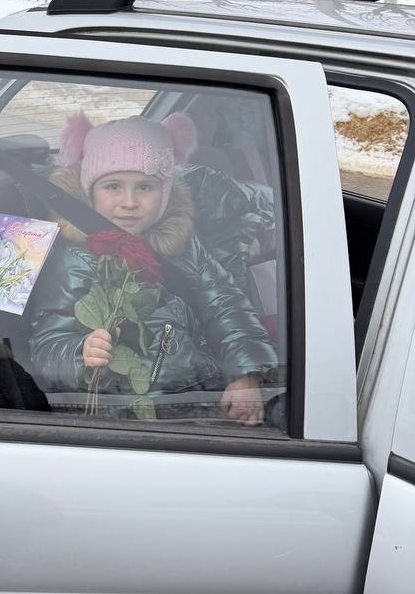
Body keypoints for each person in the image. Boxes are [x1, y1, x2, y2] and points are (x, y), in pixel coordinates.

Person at [28, 112, 277, 423]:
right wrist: (81, 353)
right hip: (129, 414)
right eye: (113, 186)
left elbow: (225, 303)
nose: (129, 202)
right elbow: (47, 345)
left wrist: (245, 373)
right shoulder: (75, 259)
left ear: (166, 192)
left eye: (145, 187)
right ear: (90, 190)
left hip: (203, 393)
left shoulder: (182, 242)